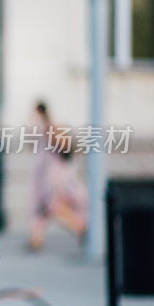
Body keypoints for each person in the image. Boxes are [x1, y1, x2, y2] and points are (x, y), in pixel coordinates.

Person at [27, 101, 88, 251]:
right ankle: (36, 239)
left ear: (39, 112)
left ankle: (80, 227)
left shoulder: (51, 127)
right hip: (45, 175)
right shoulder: (44, 128)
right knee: (41, 209)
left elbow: (67, 148)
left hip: (54, 176)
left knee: (52, 206)